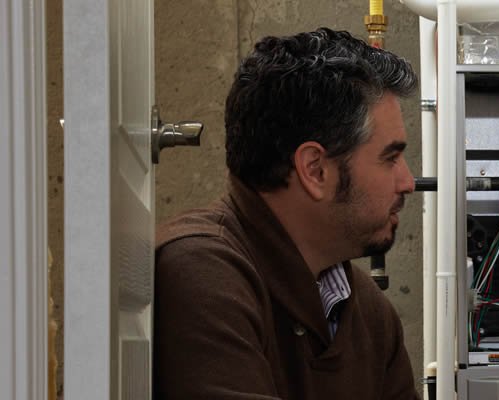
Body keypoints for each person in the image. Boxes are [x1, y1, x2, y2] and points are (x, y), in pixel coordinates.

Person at [153, 28, 420, 399]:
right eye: (390, 158)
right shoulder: (199, 272)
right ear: (315, 170)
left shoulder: (372, 317)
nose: (407, 182)